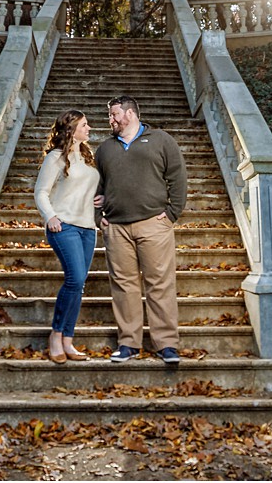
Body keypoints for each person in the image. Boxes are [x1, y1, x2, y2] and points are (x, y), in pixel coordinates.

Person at [93, 94, 187, 364]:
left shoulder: (161, 140)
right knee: (124, 287)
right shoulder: (105, 149)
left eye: (114, 114)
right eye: (110, 115)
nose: (110, 119)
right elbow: (95, 186)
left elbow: (178, 177)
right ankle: (128, 344)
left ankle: (166, 344)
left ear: (130, 113)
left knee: (160, 284)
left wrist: (172, 213)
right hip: (117, 228)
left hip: (153, 225)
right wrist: (99, 215)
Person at [33, 108, 99, 363]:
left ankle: (68, 341)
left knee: (79, 284)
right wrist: (51, 217)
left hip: (87, 228)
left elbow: (90, 189)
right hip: (64, 226)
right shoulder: (56, 157)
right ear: (71, 128)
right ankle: (56, 335)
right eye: (84, 124)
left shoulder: (87, 156)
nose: (89, 128)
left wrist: (99, 199)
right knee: (75, 279)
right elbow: (41, 192)